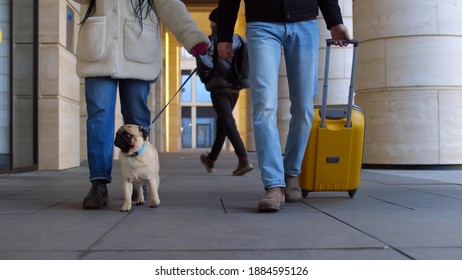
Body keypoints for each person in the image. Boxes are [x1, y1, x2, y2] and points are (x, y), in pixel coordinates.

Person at [73, 0, 210, 209]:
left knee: (137, 117)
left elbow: (171, 6)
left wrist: (193, 39)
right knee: (99, 115)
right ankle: (98, 184)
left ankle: (140, 182)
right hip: (98, 52)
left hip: (138, 51)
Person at [217, 0, 351, 212]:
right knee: (263, 107)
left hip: (304, 22)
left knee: (304, 108)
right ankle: (274, 185)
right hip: (261, 25)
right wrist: (224, 34)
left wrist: (335, 21)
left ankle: (291, 174)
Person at [196, 8, 254, 176]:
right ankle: (211, 159)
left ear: (216, 22)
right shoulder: (241, 41)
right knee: (223, 123)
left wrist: (206, 79)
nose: (210, 24)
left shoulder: (210, 41)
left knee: (227, 121)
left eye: (212, 21)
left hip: (219, 88)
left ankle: (243, 159)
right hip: (234, 88)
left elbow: (205, 66)